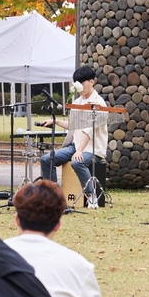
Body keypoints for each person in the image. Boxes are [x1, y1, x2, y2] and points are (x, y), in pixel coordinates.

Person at [38, 65, 108, 203]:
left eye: (82, 83)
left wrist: (80, 150)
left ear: (91, 82)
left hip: (93, 150)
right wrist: (55, 121)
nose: (80, 87)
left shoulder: (99, 104)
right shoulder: (77, 102)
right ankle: (54, 195)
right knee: (46, 159)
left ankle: (91, 196)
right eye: (78, 84)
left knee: (77, 162)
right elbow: (72, 126)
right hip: (75, 147)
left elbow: (90, 130)